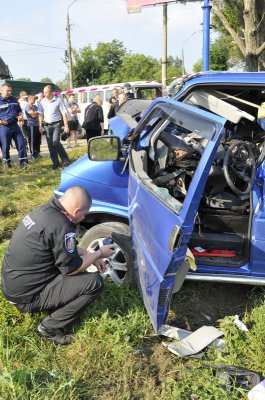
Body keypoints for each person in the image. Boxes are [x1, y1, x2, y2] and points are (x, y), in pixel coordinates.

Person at [1, 186, 115, 345]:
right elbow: (72, 269)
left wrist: (89, 255)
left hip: (12, 286)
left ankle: (52, 303)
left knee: (67, 267)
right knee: (94, 282)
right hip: (26, 297)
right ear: (76, 211)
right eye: (84, 214)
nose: (84, 218)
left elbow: (63, 246)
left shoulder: (45, 212)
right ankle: (49, 328)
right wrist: (98, 254)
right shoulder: (62, 226)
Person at [38, 85, 70, 170]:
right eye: (43, 92)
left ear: (52, 92)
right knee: (50, 145)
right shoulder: (42, 102)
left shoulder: (58, 100)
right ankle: (56, 164)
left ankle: (65, 159)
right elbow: (40, 114)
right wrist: (40, 125)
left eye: (46, 92)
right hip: (47, 125)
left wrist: (66, 126)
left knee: (55, 142)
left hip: (57, 124)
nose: (44, 94)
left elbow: (64, 113)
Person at [0, 83, 28, 168]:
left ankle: (24, 165)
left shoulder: (14, 99)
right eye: (7, 91)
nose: (9, 92)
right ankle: (7, 166)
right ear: (1, 90)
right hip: (4, 127)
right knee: (5, 147)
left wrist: (20, 116)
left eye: (10, 91)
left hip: (15, 126)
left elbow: (19, 111)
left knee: (21, 144)